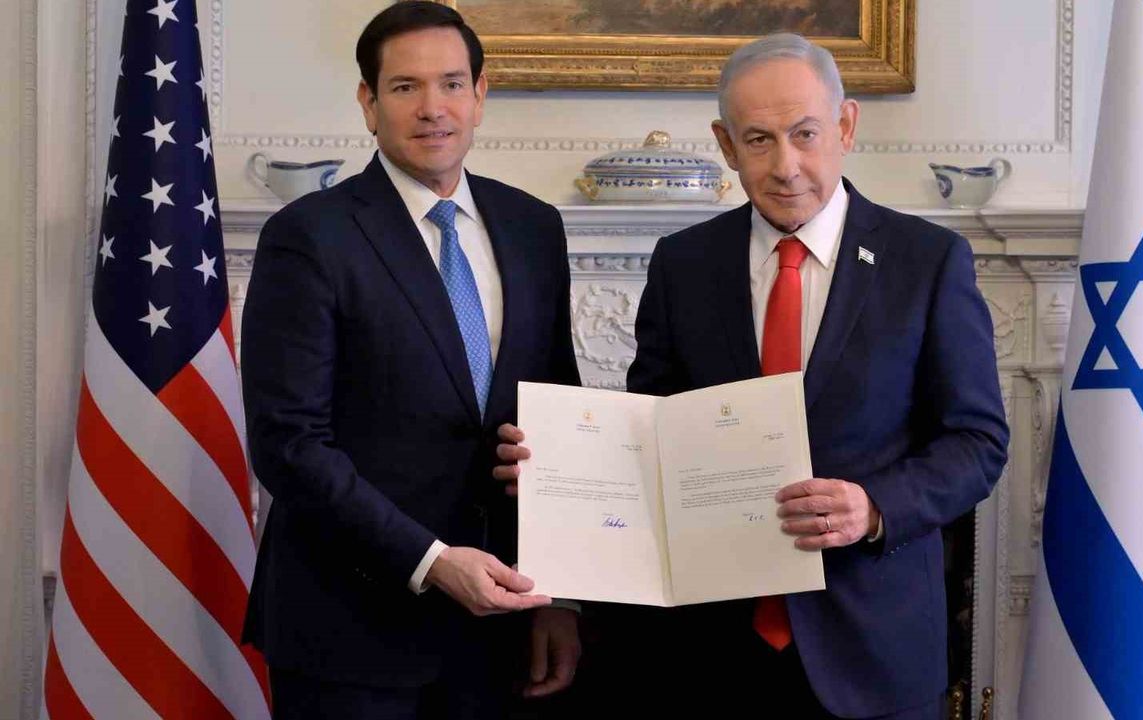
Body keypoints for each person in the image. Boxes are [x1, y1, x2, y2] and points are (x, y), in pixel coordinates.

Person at [496, 33, 1008, 719]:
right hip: (712, 654)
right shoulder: (684, 264)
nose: (786, 166)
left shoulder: (928, 261)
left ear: (846, 126)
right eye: (759, 140)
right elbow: (650, 437)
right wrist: (560, 465)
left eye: (805, 134)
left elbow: (977, 442)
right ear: (727, 145)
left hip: (874, 651)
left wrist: (874, 507)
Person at [240, 3, 581, 717]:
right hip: (351, 632)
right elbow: (289, 444)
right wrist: (432, 561)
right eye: (405, 87)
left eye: (452, 84)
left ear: (480, 95)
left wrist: (564, 596)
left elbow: (560, 417)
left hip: (502, 631)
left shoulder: (534, 228)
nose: (433, 108)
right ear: (369, 103)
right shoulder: (308, 236)